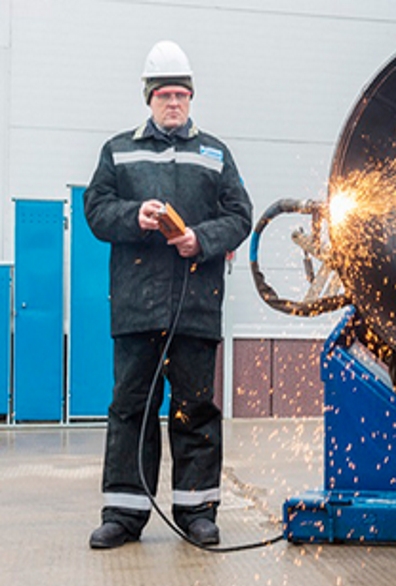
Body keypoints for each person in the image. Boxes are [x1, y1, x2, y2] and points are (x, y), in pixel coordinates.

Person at [84, 40, 252, 549]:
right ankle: (124, 513)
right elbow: (96, 209)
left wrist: (201, 239)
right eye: (164, 95)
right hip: (137, 307)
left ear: (191, 97)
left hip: (195, 307)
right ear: (148, 98)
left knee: (195, 409)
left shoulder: (215, 154)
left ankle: (197, 511)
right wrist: (134, 217)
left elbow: (240, 215)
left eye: (181, 94)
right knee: (130, 407)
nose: (173, 103)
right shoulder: (118, 151)